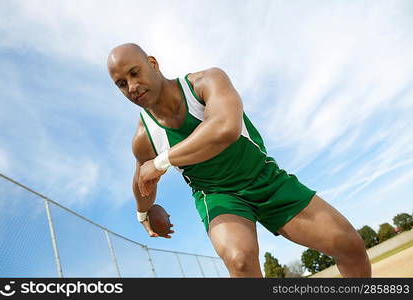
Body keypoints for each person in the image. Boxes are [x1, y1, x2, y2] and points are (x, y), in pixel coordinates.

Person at [107, 43, 371, 278]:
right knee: (239, 260)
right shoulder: (144, 137)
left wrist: (161, 161)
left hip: (265, 179)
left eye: (134, 72)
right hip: (218, 196)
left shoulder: (206, 81)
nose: (131, 87)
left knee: (349, 245)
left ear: (152, 64)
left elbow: (224, 129)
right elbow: (142, 179)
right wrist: (144, 212)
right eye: (121, 84)